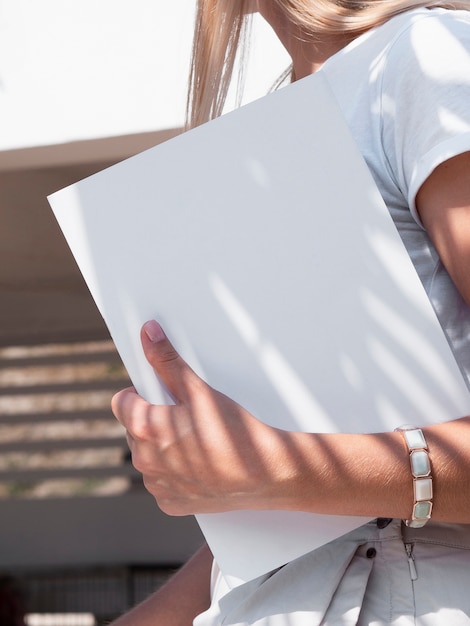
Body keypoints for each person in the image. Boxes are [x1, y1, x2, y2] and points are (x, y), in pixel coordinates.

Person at [110, 0, 470, 623]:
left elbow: (304, 479)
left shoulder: (424, 60)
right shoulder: (282, 117)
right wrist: (236, 474)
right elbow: (301, 525)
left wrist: (273, 468)